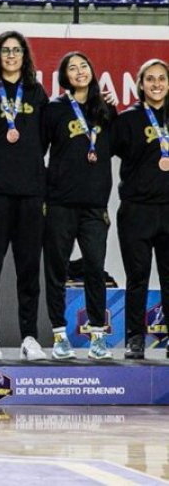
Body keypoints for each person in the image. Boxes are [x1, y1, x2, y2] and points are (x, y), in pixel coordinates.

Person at [0, 31, 48, 361]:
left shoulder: (37, 92)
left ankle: (29, 338)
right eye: (6, 50)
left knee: (29, 269)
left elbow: (43, 139)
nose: (12, 55)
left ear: (25, 56)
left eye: (17, 50)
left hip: (30, 191)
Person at [42, 51, 116, 361]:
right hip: (60, 203)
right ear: (64, 77)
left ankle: (98, 337)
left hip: (94, 206)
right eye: (72, 68)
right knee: (56, 270)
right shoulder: (55, 109)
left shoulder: (105, 109)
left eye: (84, 65)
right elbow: (37, 150)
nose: (79, 71)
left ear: (92, 71)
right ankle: (59, 335)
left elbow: (117, 149)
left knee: (95, 270)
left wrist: (114, 109)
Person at [112, 58, 169, 360]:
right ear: (141, 84)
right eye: (150, 79)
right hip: (137, 210)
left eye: (162, 78)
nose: (157, 84)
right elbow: (104, 147)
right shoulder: (128, 119)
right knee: (138, 277)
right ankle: (135, 338)